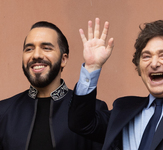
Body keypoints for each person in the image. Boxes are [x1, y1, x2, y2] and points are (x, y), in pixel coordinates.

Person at [68, 18, 163, 150]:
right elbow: (81, 124)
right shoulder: (124, 109)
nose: (154, 64)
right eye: (146, 56)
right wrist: (92, 67)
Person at [0, 21, 108, 150]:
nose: (36, 55)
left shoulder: (92, 110)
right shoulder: (3, 112)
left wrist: (92, 68)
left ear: (63, 59)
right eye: (29, 49)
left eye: (46, 48)